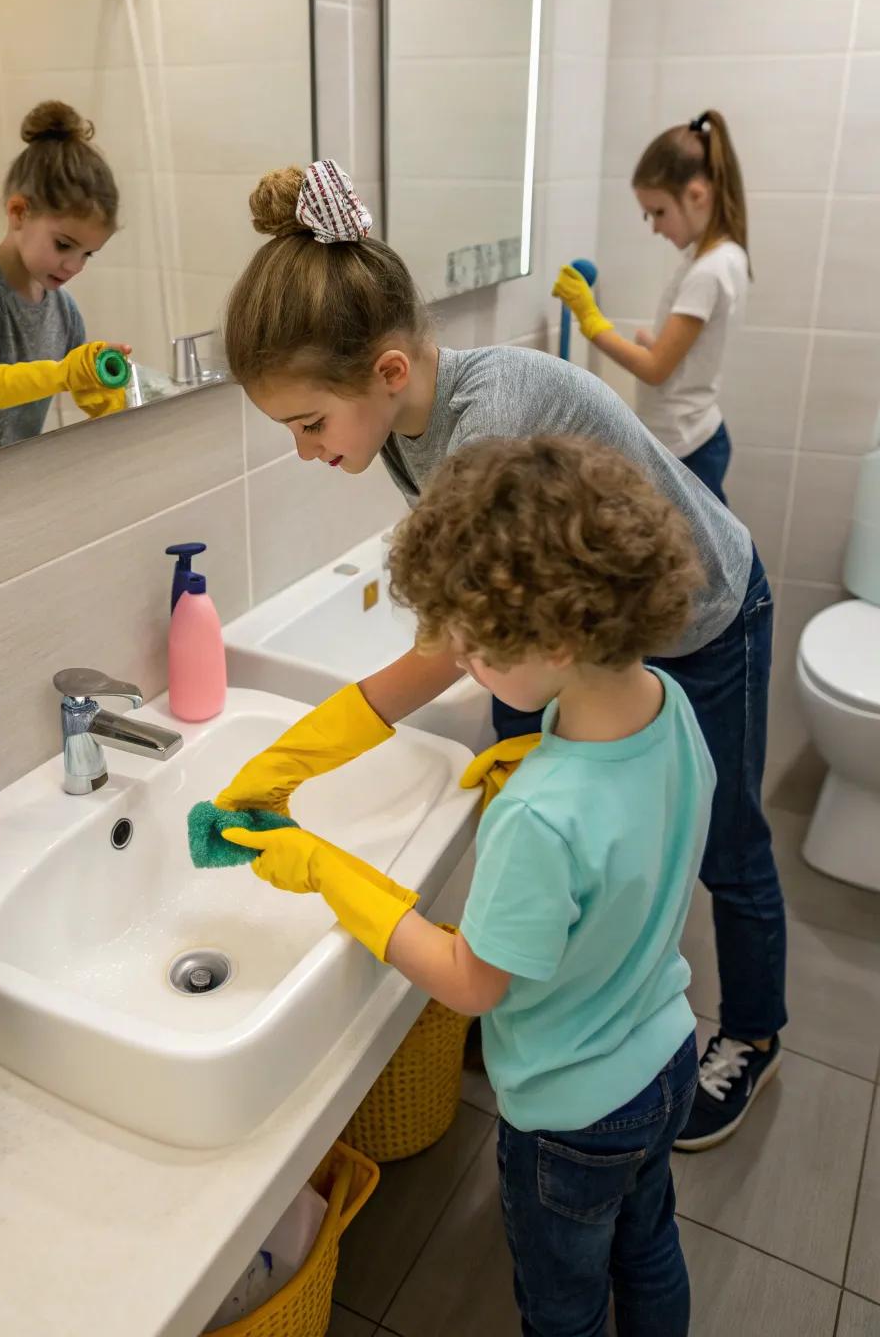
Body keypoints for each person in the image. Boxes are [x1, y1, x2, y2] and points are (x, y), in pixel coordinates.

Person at [215, 158, 785, 1150]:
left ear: (387, 372)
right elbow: (470, 617)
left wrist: (300, 757)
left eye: (308, 423)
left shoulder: (486, 420)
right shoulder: (402, 425)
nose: (305, 449)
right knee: (564, 832)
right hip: (570, 636)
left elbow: (450, 649)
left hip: (701, 613)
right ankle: (541, 997)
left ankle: (749, 1032)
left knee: (724, 843)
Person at [223, 434, 715, 1336]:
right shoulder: (666, 708)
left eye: (478, 648)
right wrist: (546, 757)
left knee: (562, 1309)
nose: (463, 661)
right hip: (667, 1057)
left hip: (570, 1117)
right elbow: (636, 838)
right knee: (648, 1247)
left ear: (561, 638)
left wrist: (332, 871)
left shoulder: (541, 817)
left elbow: (469, 981)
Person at [0, 101, 129, 472]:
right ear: (18, 213)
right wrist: (67, 373)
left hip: (12, 467)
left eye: (88, 255)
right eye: (63, 245)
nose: (74, 266)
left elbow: (79, 385)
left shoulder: (64, 309)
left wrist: (104, 393)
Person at [554, 109, 749, 504]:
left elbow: (657, 370)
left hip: (687, 446)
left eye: (659, 212)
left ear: (697, 194)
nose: (655, 227)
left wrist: (591, 320)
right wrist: (651, 342)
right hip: (691, 436)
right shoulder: (719, 257)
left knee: (698, 562)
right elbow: (682, 351)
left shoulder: (707, 271)